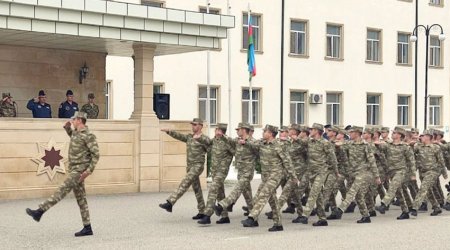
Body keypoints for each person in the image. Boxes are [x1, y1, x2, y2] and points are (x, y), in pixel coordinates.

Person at [26, 111, 100, 237]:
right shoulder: (77, 133)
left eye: (74, 119)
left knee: (62, 190)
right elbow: (73, 137)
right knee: (81, 199)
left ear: (80, 120)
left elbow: (96, 155)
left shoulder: (89, 135)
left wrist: (88, 171)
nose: (72, 121)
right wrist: (67, 128)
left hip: (79, 171)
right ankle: (88, 228)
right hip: (74, 169)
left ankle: (40, 211)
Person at [239, 124, 297, 232]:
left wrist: (293, 177)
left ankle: (252, 217)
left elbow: (287, 162)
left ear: (270, 134)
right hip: (265, 176)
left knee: (263, 194)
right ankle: (278, 224)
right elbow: (253, 144)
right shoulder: (262, 144)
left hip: (275, 175)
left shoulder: (279, 145)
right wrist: (245, 142)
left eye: (264, 131)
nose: (262, 133)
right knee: (273, 200)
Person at [159, 118, 210, 219]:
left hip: (197, 166)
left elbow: (211, 149)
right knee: (197, 189)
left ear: (200, 126)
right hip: (190, 166)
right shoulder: (190, 137)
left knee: (185, 182)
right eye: (192, 125)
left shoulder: (204, 139)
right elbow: (180, 136)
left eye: (195, 125)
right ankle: (202, 211)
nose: (193, 126)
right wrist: (169, 131)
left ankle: (170, 202)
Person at [328, 126, 381, 223]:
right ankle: (366, 216)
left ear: (357, 133)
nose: (349, 134)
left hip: (364, 173)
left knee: (352, 191)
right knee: (359, 196)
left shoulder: (366, 145)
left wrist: (377, 176)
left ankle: (341, 209)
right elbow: (339, 146)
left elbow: (372, 161)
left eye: (351, 132)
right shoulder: (349, 144)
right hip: (352, 173)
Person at [296, 123, 339, 226]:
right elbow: (300, 142)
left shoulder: (325, 143)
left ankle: (305, 215)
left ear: (317, 131)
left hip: (321, 172)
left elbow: (332, 158)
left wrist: (336, 171)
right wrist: (293, 137)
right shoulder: (309, 141)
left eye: (312, 130)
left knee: (314, 192)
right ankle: (322, 219)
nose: (310, 131)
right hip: (311, 172)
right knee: (318, 196)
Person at [217, 123, 257, 219]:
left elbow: (257, 148)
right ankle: (254, 217)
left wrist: (246, 143)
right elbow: (230, 140)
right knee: (248, 197)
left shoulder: (253, 141)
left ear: (243, 130)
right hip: (240, 172)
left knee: (237, 189)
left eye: (238, 129)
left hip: (247, 172)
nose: (236, 131)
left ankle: (223, 205)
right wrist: (222, 136)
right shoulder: (237, 140)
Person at [197, 123, 235, 225]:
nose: (216, 131)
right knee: (220, 192)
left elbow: (235, 152)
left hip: (222, 171)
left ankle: (207, 215)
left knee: (213, 189)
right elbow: (208, 145)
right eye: (215, 130)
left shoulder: (227, 142)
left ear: (222, 132)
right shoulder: (214, 141)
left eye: (218, 130)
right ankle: (225, 216)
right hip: (214, 171)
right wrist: (199, 138)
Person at [375, 127, 416, 220]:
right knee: (398, 192)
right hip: (391, 172)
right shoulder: (388, 145)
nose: (392, 134)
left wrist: (413, 174)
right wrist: (374, 142)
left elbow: (411, 161)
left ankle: (384, 204)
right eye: (393, 133)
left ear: (399, 135)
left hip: (401, 171)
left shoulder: (405, 147)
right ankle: (405, 212)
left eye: (394, 133)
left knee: (393, 186)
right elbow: (379, 147)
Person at [410, 130, 448, 217]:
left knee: (423, 188)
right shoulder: (418, 147)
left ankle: (415, 207)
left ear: (428, 137)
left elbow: (441, 161)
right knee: (429, 191)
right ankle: (436, 207)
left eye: (423, 136)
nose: (421, 137)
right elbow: (410, 153)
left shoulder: (435, 147)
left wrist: (444, 173)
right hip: (422, 172)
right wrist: (411, 144)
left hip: (432, 171)